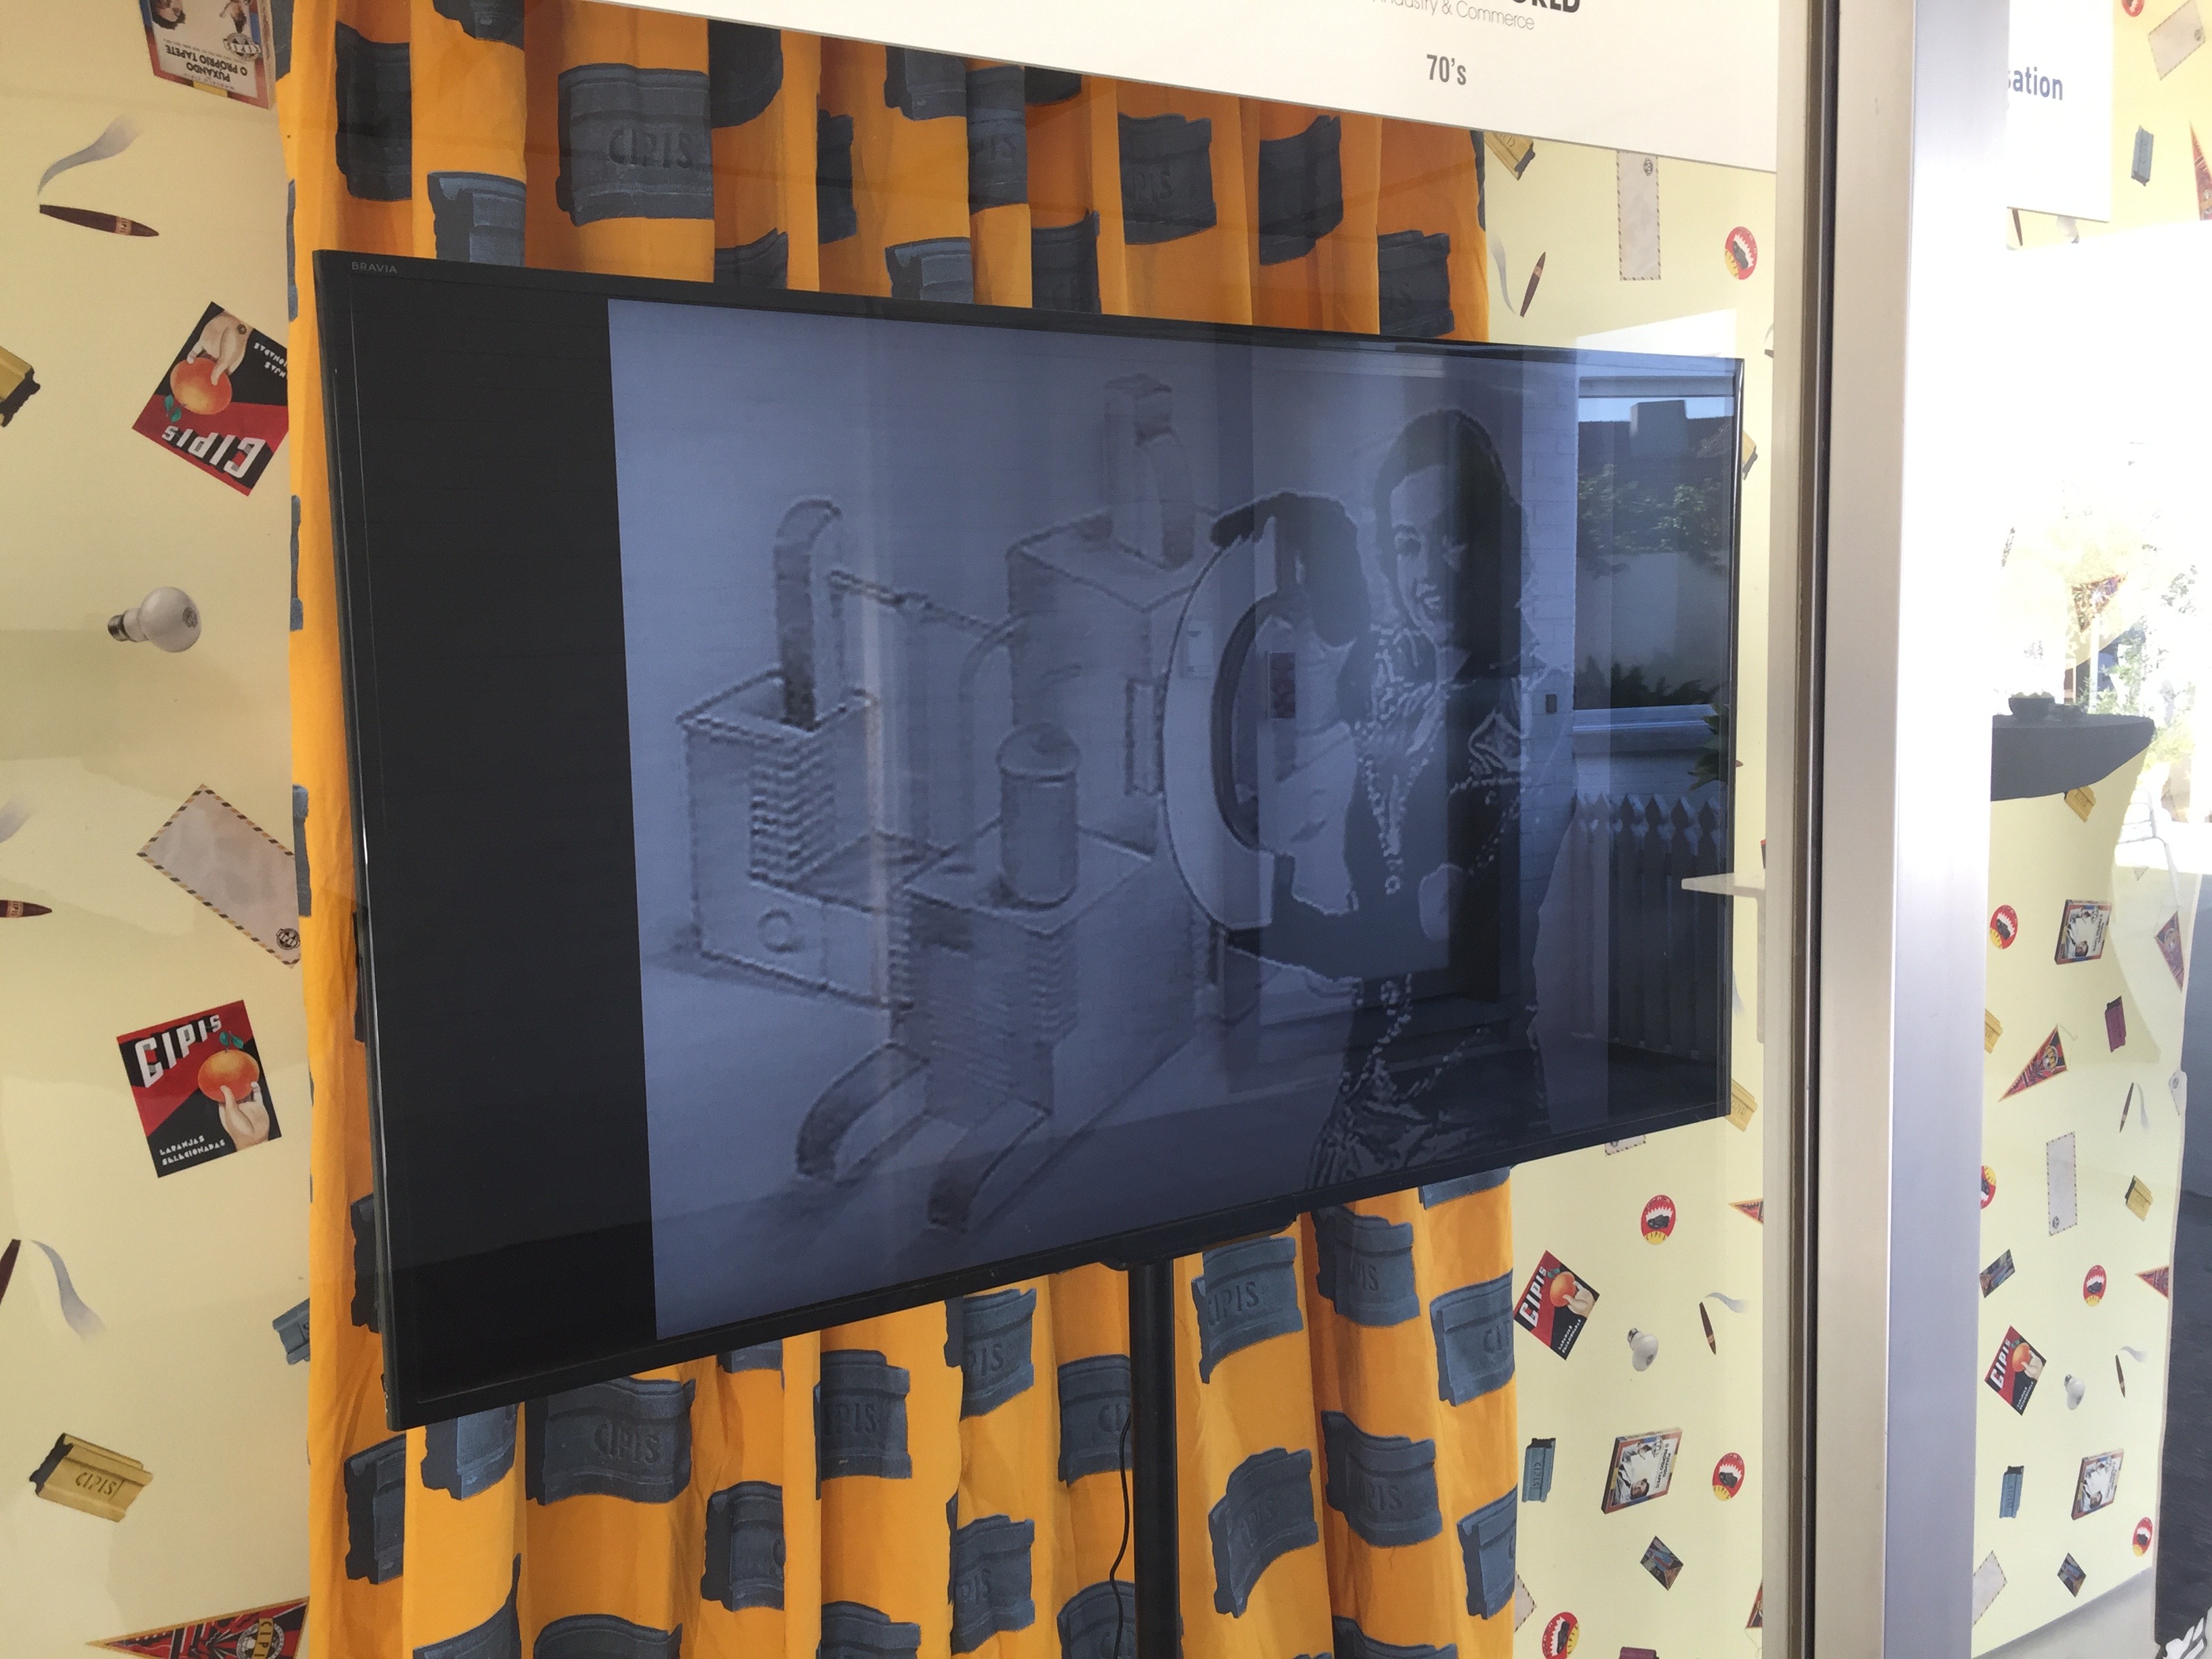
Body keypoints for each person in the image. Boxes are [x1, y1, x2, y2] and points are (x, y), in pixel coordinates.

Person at [1221, 408, 1547, 1185]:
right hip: (1373, 1090)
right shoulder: (1409, 670)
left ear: (1494, 537)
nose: (1426, 572)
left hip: (1462, 1115)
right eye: (1406, 545)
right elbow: (1349, 632)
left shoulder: (1521, 711)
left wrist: (1263, 925)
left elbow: (1425, 929)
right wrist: (1298, 520)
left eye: (1449, 536)